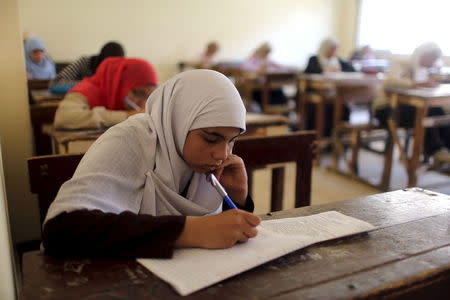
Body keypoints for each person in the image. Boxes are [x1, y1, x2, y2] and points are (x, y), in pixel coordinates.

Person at [42, 69, 260, 258]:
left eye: (232, 141)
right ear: (179, 122)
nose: (222, 154)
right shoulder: (130, 140)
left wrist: (237, 199)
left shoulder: (205, 163)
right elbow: (61, 229)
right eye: (210, 139)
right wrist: (191, 231)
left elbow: (220, 233)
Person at [374, 42, 450, 159]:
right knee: (424, 113)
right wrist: (417, 84)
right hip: (387, 110)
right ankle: (436, 150)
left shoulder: (423, 69)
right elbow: (389, 82)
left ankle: (445, 150)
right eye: (432, 58)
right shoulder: (402, 63)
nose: (433, 62)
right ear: (424, 54)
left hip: (406, 108)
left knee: (438, 111)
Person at [53, 57, 158, 129]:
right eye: (138, 93)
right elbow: (63, 117)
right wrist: (126, 116)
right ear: (119, 84)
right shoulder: (86, 91)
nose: (142, 105)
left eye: (148, 97)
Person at [303, 38, 355, 137]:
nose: (334, 52)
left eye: (335, 49)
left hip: (335, 95)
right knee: (323, 108)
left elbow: (352, 69)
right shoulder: (314, 59)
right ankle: (322, 137)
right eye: (332, 49)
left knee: (345, 106)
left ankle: (339, 138)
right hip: (318, 94)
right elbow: (308, 72)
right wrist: (325, 70)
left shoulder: (338, 60)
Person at [49, 41, 125, 93]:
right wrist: (89, 84)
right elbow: (55, 82)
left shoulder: (122, 68)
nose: (111, 68)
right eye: (108, 64)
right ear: (102, 60)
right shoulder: (85, 62)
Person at [242, 42, 289, 109]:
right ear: (261, 51)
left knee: (278, 90)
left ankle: (280, 110)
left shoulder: (267, 60)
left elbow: (279, 66)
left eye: (267, 53)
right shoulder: (253, 59)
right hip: (256, 87)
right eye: (265, 52)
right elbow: (245, 67)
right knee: (275, 92)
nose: (266, 54)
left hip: (266, 86)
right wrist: (259, 69)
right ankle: (272, 110)